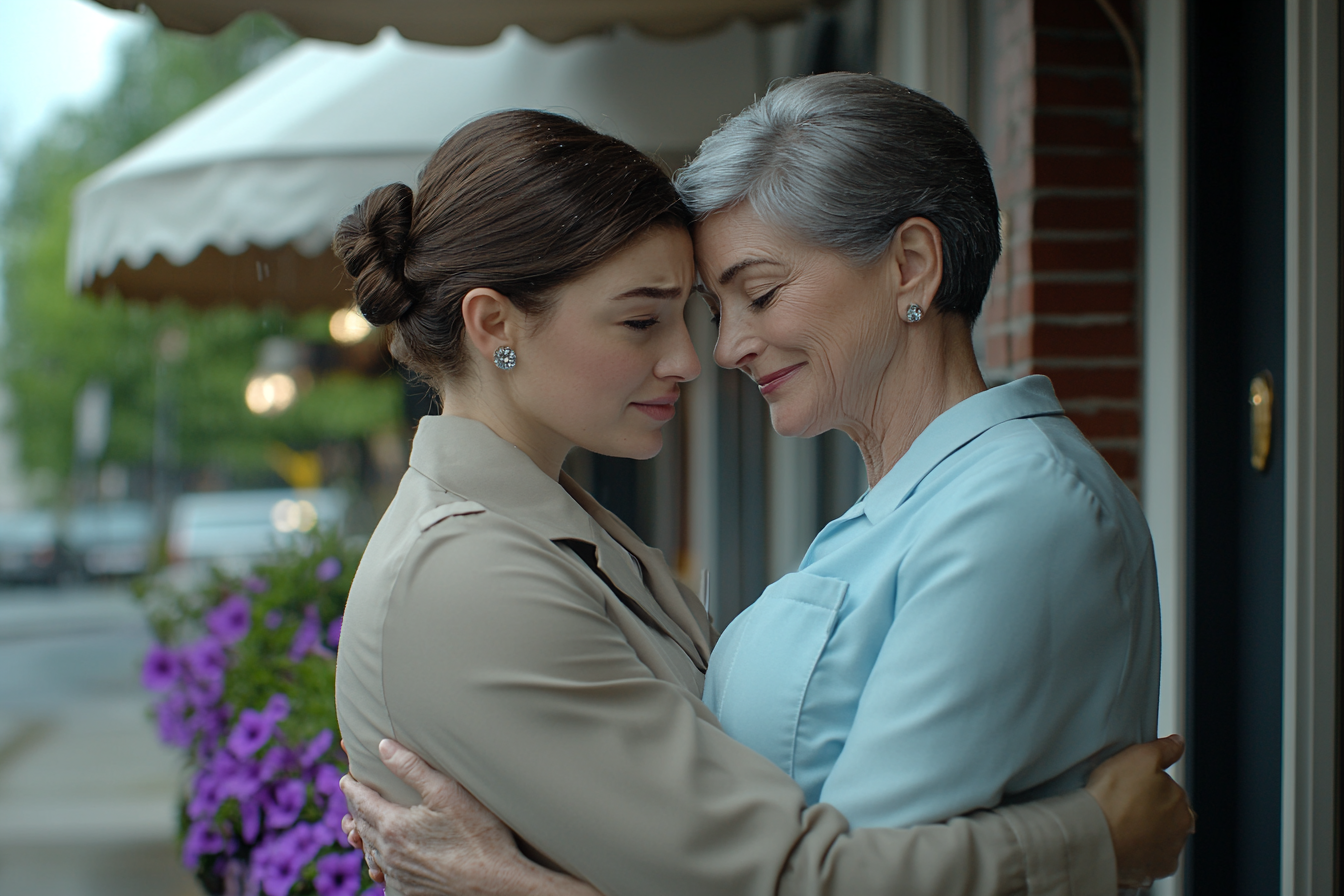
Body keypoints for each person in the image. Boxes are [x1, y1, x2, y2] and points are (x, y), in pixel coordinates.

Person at [333, 103, 1192, 896]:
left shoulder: (1010, 509)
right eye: (652, 318)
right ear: (494, 328)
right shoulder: (468, 568)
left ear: (912, 265)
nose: (710, 353)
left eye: (761, 293)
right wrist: (1089, 841)